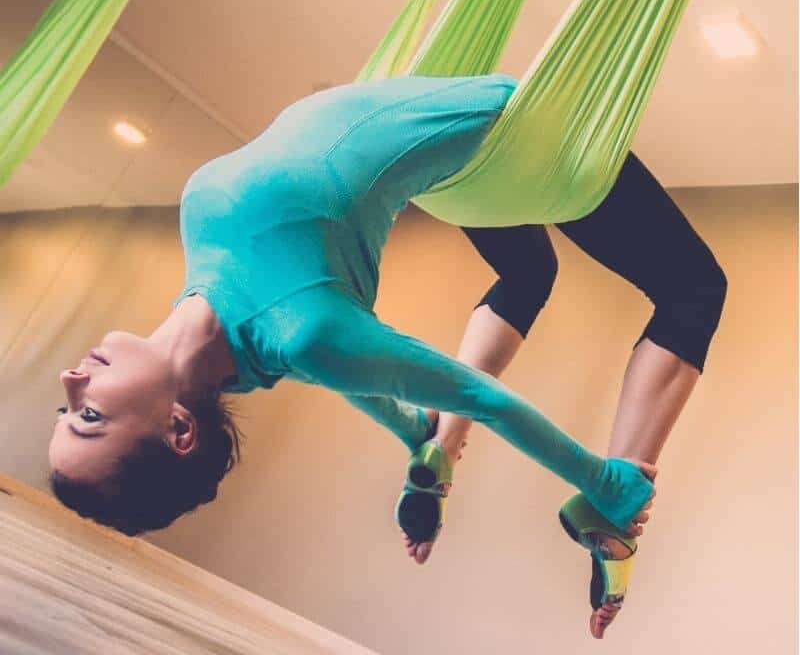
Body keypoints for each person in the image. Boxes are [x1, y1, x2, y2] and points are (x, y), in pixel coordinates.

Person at [48, 74, 655, 558]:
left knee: (528, 274)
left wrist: (415, 432)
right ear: (180, 430)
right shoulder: (305, 333)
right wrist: (604, 481)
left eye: (64, 408)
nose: (71, 381)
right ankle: (588, 502)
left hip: (436, 124)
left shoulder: (242, 336)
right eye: (90, 415)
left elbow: (347, 380)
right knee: (694, 288)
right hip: (506, 126)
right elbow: (480, 397)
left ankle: (427, 449)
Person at [397, 152, 726, 638]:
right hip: (548, 140)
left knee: (528, 273)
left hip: (448, 162)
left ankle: (442, 446)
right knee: (694, 289)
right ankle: (615, 505)